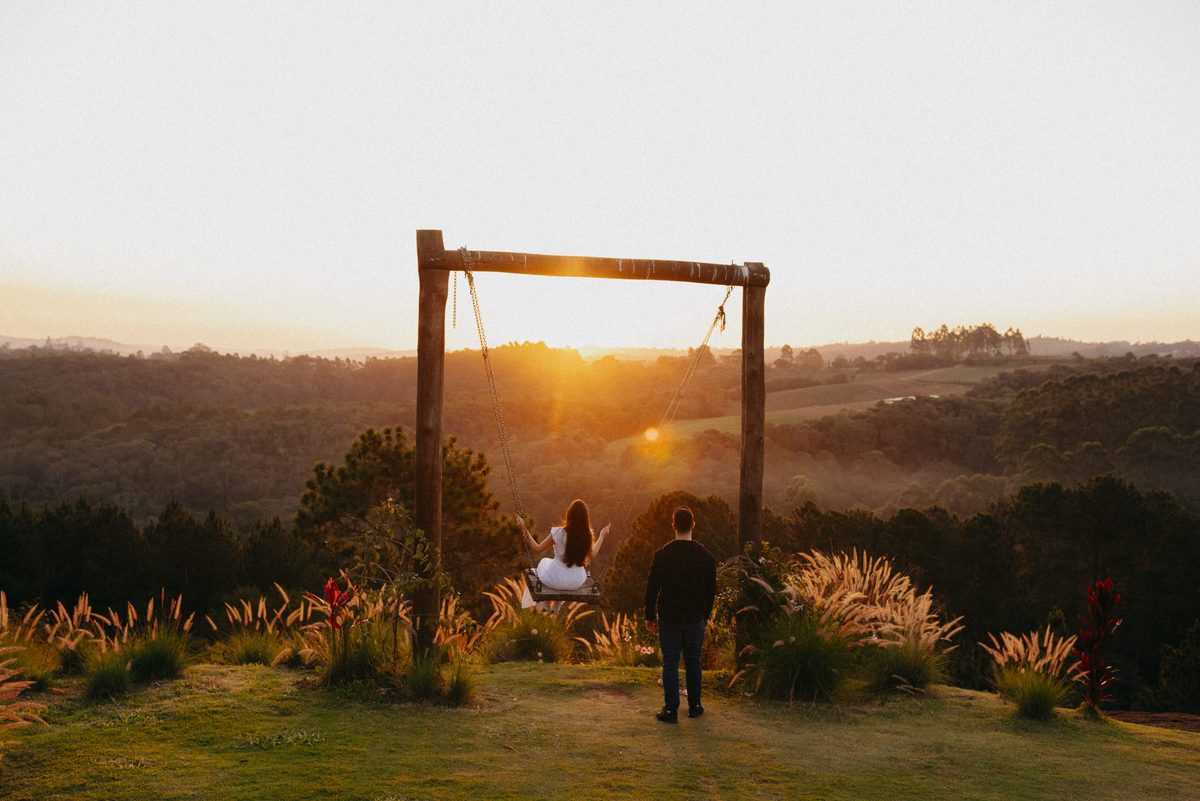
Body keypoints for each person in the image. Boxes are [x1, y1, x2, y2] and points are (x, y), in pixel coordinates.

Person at [644, 505, 717, 723]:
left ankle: (671, 710)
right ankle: (695, 706)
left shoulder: (662, 555)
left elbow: (652, 588)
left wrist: (649, 616)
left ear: (673, 526)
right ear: (693, 525)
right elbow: (710, 590)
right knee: (693, 661)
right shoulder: (705, 557)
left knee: (670, 662)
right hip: (695, 617)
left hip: (669, 616)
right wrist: (706, 615)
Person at [517, 499, 610, 610]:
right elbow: (593, 555)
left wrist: (524, 528)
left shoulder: (558, 533)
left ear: (569, 515)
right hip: (575, 581)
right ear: (585, 518)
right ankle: (555, 608)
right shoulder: (587, 535)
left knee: (545, 562)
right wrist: (602, 536)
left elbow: (537, 548)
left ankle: (546, 607)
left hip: (554, 578)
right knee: (558, 574)